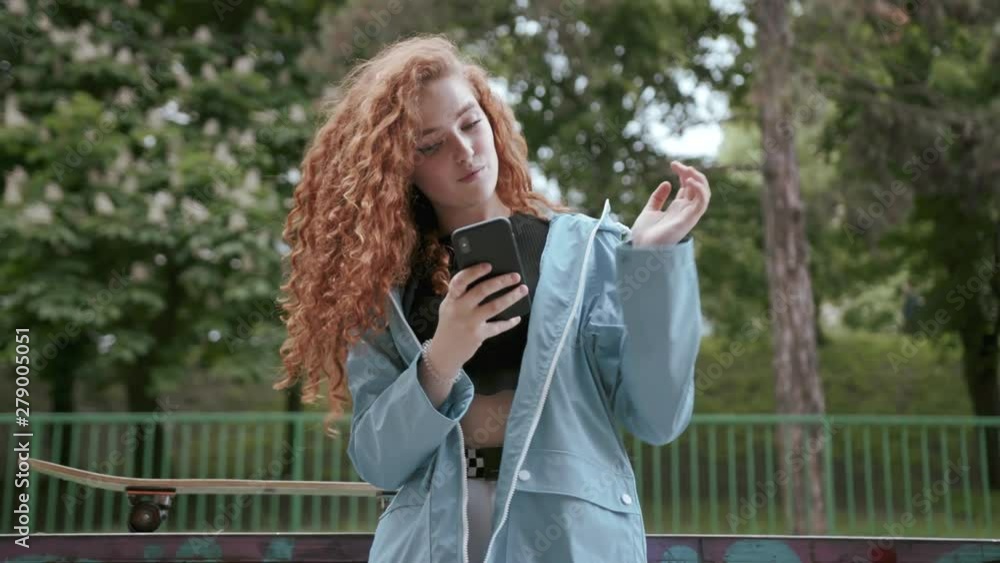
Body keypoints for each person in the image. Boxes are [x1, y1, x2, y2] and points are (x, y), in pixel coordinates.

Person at [275, 34, 709, 563]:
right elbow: (379, 463)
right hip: (432, 542)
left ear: (491, 116)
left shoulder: (589, 251)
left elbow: (658, 418)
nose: (464, 151)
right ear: (399, 165)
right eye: (430, 145)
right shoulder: (383, 287)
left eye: (469, 122)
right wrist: (442, 357)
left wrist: (653, 263)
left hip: (568, 540)